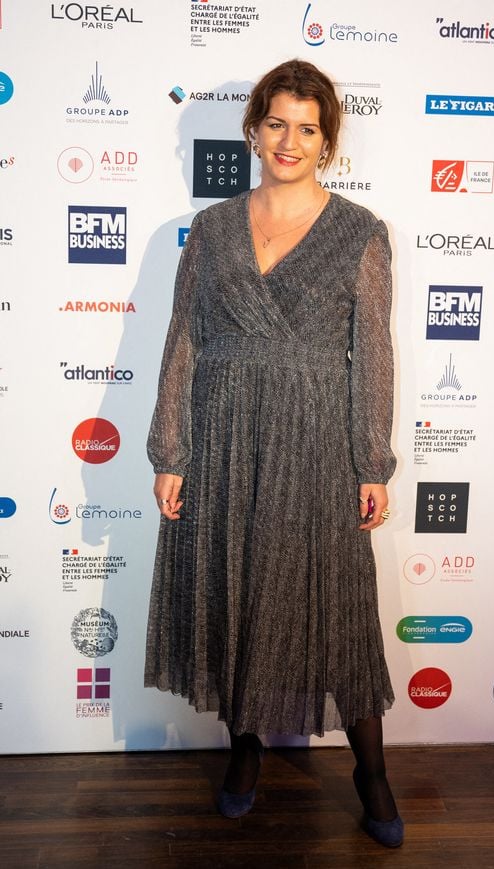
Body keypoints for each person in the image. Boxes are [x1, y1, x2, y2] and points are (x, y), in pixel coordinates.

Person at [145, 59, 403, 848]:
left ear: (327, 140)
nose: (290, 140)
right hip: (222, 437)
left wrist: (371, 463)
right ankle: (245, 750)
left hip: (317, 439)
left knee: (338, 612)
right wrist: (170, 448)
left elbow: (374, 354)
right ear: (254, 128)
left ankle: (371, 770)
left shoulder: (360, 231)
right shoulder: (213, 227)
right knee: (235, 593)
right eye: (277, 123)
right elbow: (183, 338)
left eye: (308, 127)